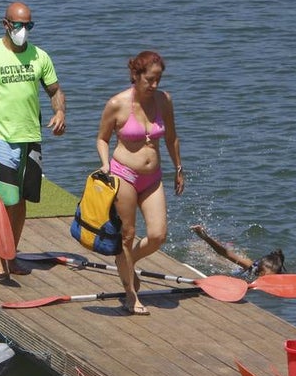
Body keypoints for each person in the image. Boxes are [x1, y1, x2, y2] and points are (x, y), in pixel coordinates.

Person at [0, 2, 66, 279]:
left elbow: (54, 90)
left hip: (31, 137)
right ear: (5, 24)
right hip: (0, 137)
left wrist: (60, 111)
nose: (23, 31)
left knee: (20, 201)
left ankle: (11, 254)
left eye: (28, 25)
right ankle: (2, 259)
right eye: (18, 25)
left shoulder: (40, 56)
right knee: (6, 200)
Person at [96, 50, 183, 315]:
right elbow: (102, 138)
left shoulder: (164, 101)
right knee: (128, 234)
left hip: (153, 177)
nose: (155, 85)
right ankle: (131, 295)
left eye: (158, 79)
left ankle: (127, 261)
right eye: (150, 80)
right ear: (136, 75)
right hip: (124, 175)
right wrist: (105, 164)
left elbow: (171, 138)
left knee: (157, 235)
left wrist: (178, 167)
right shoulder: (117, 104)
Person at [190, 224, 284, 277]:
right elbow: (224, 253)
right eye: (262, 275)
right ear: (259, 271)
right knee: (217, 260)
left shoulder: (278, 275)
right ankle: (200, 245)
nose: (264, 278)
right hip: (239, 270)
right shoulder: (251, 266)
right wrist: (206, 237)